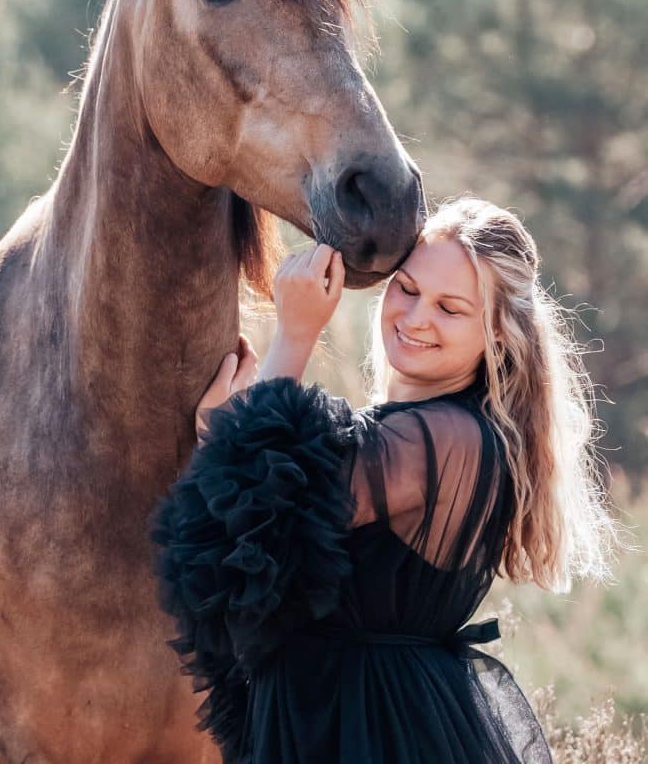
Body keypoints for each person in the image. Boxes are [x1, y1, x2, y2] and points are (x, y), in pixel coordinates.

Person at [152, 197, 619, 763]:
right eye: (408, 289)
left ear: (498, 333)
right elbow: (261, 532)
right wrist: (228, 431)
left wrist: (292, 340)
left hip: (369, 726)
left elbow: (244, 531)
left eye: (451, 308)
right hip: (353, 711)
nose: (417, 317)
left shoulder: (445, 441)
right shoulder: (418, 431)